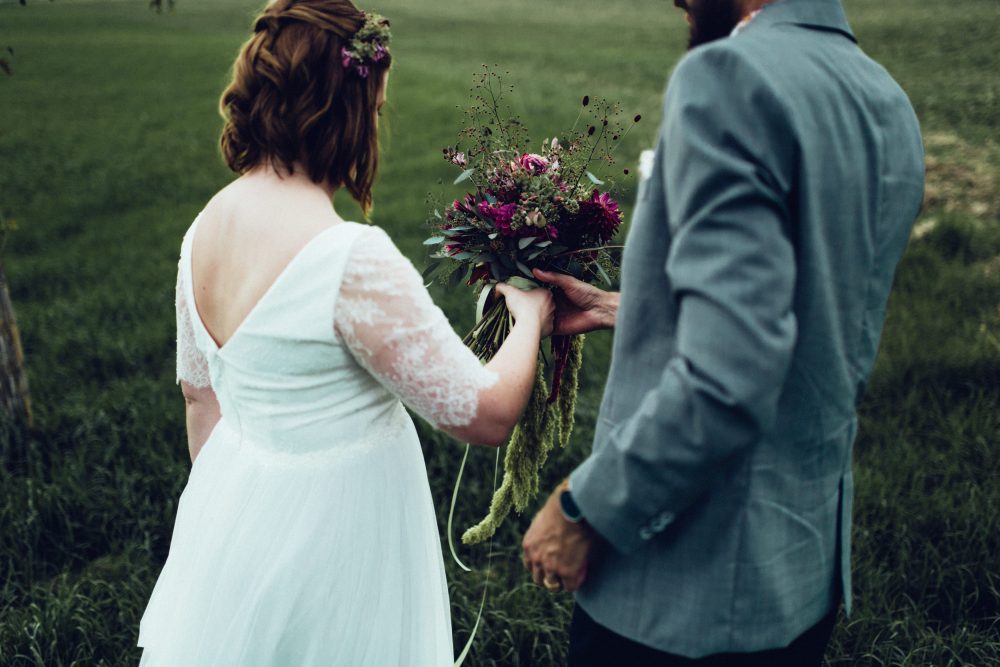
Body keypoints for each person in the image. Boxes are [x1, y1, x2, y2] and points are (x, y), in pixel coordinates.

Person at [136, 1, 554, 665]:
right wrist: (529, 315)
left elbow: (200, 397)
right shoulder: (348, 258)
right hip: (344, 542)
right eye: (376, 111)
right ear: (347, 111)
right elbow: (487, 412)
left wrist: (243, 515)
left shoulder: (203, 231)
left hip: (235, 520)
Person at [521, 0, 924, 664]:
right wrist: (621, 305)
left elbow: (728, 376)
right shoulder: (883, 98)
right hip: (800, 576)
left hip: (685, 595)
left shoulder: (730, 79)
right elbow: (807, 307)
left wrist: (583, 509)